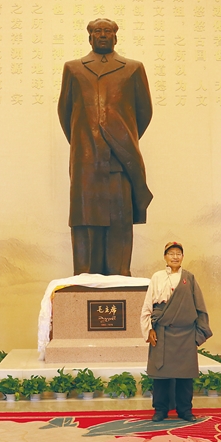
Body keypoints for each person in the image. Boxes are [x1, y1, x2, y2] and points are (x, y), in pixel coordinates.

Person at [57, 18, 153, 276]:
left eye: (107, 31)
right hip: (85, 160)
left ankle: (119, 274)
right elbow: (65, 112)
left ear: (115, 37)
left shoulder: (132, 69)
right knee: (85, 219)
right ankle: (85, 276)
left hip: (120, 159)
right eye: (97, 31)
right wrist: (84, 142)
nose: (102, 35)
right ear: (89, 37)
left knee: (119, 219)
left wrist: (122, 137)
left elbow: (144, 112)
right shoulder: (73, 69)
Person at [141, 242, 213, 422]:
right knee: (161, 374)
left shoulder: (189, 278)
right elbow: (148, 305)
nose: (175, 257)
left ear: (182, 257)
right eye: (171, 253)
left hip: (186, 334)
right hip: (162, 331)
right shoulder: (157, 277)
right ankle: (160, 409)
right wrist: (149, 329)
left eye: (178, 253)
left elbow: (200, 307)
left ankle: (185, 410)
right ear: (165, 257)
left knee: (185, 375)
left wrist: (199, 335)